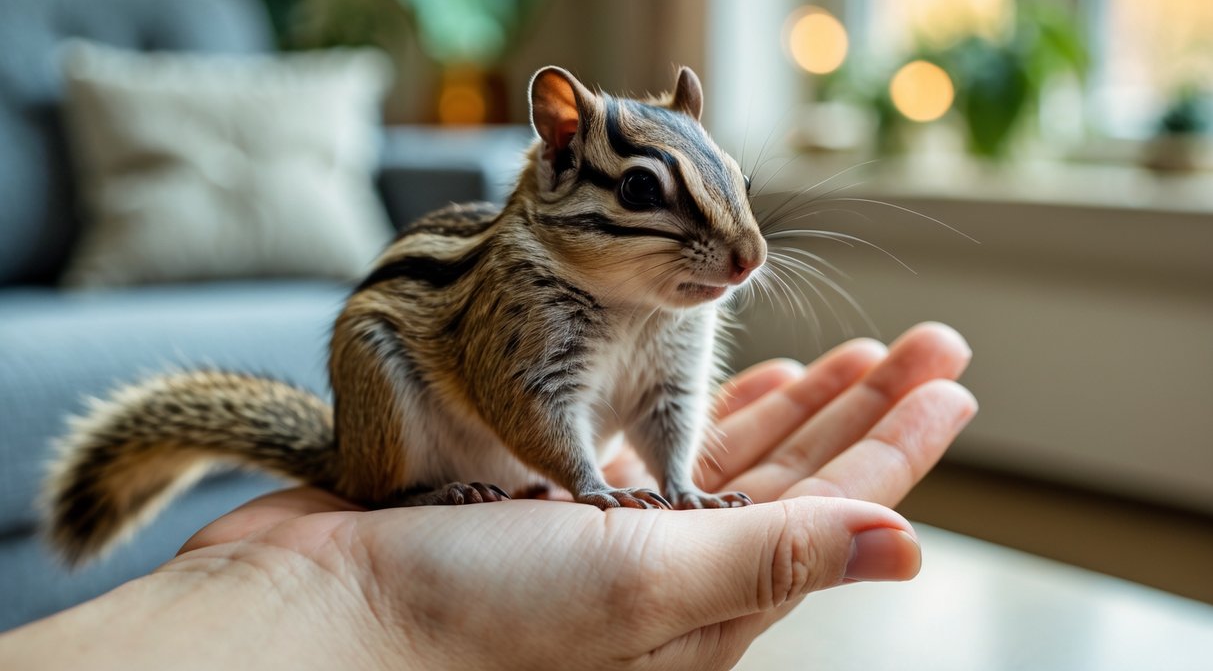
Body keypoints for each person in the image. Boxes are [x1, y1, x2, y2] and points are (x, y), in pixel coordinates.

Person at [0, 323, 975, 671]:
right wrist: (586, 483)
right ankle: (408, 480)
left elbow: (658, 399)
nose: (739, 251)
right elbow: (527, 394)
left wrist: (675, 484)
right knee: (387, 341)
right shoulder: (532, 280)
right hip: (416, 429)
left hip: (509, 469)